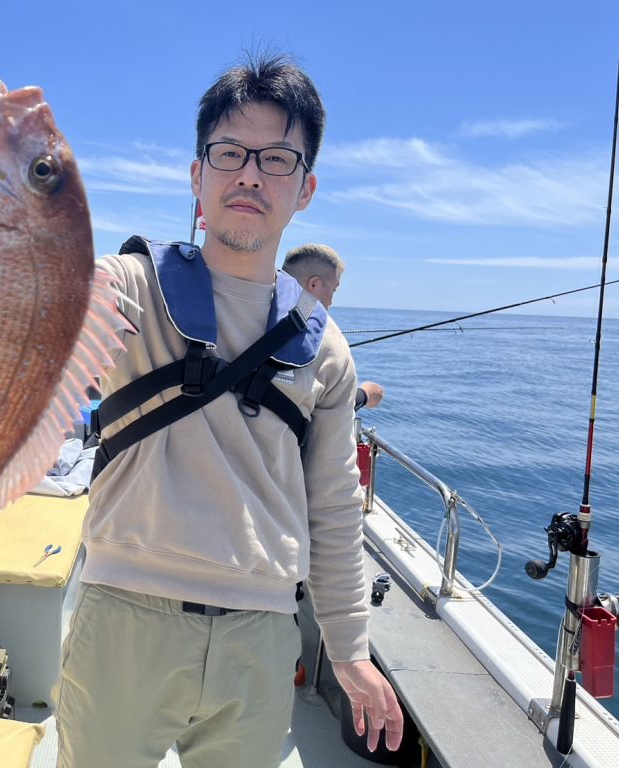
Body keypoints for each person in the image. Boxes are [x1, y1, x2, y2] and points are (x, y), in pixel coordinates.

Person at [56, 53, 402, 768]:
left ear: (305, 188)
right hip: (123, 618)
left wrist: (350, 650)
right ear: (197, 176)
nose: (250, 175)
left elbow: (334, 506)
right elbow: (56, 306)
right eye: (229, 153)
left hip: (261, 639)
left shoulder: (326, 347)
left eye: (276, 159)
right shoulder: (128, 285)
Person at [282, 243, 385, 411]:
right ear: (314, 285)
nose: (331, 301)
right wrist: (364, 395)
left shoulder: (249, 315)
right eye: (334, 290)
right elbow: (333, 420)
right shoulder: (330, 341)